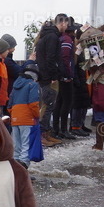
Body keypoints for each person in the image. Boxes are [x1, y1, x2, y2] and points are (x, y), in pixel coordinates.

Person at [35, 16, 66, 145]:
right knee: (48, 105)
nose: (67, 27)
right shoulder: (53, 37)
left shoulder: (46, 35)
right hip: (48, 78)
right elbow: (51, 58)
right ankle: (43, 135)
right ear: (62, 23)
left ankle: (46, 133)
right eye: (66, 24)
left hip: (44, 76)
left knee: (47, 105)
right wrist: (54, 75)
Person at [9, 62, 41, 167]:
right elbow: (33, 104)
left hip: (15, 119)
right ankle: (23, 170)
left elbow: (9, 105)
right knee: (26, 146)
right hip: (27, 119)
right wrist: (37, 116)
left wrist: (14, 115)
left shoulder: (15, 85)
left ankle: (15, 169)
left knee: (17, 146)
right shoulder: (33, 84)